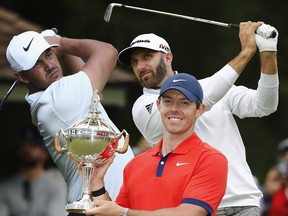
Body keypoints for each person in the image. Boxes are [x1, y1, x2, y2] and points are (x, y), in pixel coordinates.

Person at [116, 21, 279, 215]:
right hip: (193, 207)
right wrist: (246, 53)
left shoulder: (216, 87)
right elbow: (205, 96)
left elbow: (265, 105)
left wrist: (268, 52)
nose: (140, 66)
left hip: (241, 203)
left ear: (168, 57)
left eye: (147, 57)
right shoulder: (143, 105)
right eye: (135, 62)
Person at [5, 30, 135, 214]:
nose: (49, 65)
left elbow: (92, 91)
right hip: (100, 204)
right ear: (22, 77)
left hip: (102, 203)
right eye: (37, 63)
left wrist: (61, 49)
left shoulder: (52, 99)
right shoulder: (58, 99)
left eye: (48, 54)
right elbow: (108, 52)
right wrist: (62, 43)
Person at [85, 73, 228, 216]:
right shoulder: (136, 164)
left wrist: (125, 212)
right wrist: (97, 182)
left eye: (184, 103)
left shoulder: (210, 159)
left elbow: (190, 213)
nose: (174, 109)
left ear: (199, 110)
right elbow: (114, 214)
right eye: (168, 101)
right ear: (158, 105)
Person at [0, 127, 67, 216]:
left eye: (33, 146)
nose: (27, 149)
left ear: (45, 153)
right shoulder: (5, 187)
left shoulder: (56, 181)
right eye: (23, 144)